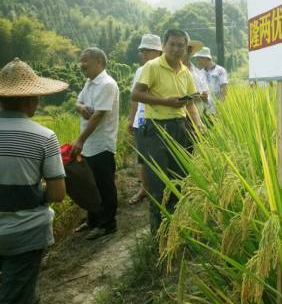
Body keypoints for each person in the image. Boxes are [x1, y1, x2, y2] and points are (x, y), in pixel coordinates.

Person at [0, 58, 67, 304]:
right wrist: (32, 193)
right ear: (30, 100)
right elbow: (58, 193)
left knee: (20, 288)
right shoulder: (44, 137)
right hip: (25, 233)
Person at [131, 29, 205, 233]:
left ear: (185, 49)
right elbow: (136, 94)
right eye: (172, 44)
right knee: (158, 184)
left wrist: (199, 125)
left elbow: (190, 104)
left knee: (179, 179)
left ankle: (176, 231)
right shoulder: (152, 66)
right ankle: (158, 234)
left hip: (180, 128)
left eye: (181, 45)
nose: (176, 49)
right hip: (157, 129)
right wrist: (166, 102)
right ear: (164, 46)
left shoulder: (185, 72)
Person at [73, 47, 120, 240]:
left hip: (101, 144)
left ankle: (108, 224)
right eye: (81, 60)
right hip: (89, 145)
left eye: (85, 60)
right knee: (91, 185)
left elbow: (99, 115)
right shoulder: (89, 82)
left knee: (104, 184)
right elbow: (77, 102)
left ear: (99, 61)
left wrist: (80, 140)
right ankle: (92, 220)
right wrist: (81, 107)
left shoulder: (107, 84)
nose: (82, 64)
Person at [127, 34, 163, 205]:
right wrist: (131, 119)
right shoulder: (140, 71)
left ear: (158, 51)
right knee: (143, 157)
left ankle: (161, 190)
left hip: (159, 119)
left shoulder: (165, 69)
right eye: (142, 51)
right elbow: (134, 98)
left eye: (148, 50)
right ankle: (145, 188)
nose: (144, 54)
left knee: (160, 156)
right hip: (141, 120)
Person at [193, 47, 228, 116]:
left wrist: (220, 106)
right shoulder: (200, 73)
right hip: (204, 109)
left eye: (199, 59)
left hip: (217, 108)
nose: (198, 62)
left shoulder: (220, 70)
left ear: (205, 58)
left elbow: (224, 89)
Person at [184, 40, 209, 116]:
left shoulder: (197, 72)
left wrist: (205, 96)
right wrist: (192, 96)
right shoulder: (174, 71)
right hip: (183, 115)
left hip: (200, 114)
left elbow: (205, 92)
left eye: (189, 50)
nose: (186, 53)